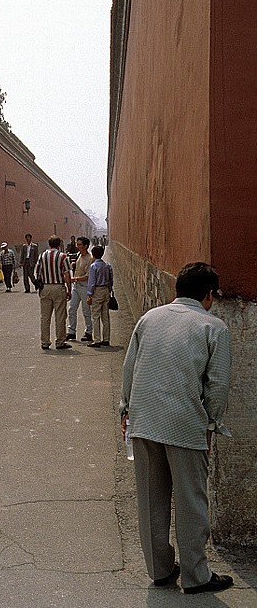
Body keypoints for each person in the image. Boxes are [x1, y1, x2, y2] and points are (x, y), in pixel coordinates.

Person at [120, 262, 233, 594]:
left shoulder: (149, 318)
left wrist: (125, 411)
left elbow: (130, 368)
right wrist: (211, 423)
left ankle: (160, 569)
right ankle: (197, 576)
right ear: (209, 295)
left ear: (177, 289)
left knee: (151, 498)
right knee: (191, 501)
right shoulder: (214, 327)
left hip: (144, 419)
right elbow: (218, 386)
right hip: (184, 423)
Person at [34, 235, 72, 350]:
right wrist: (69, 289)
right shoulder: (63, 256)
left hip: (45, 287)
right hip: (58, 287)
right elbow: (66, 274)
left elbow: (38, 273)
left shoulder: (42, 256)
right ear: (59, 244)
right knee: (60, 316)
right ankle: (60, 341)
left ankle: (45, 341)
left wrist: (40, 287)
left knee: (45, 316)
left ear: (48, 244)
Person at [66, 236, 93, 342]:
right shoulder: (78, 256)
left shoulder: (89, 259)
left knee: (86, 311)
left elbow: (88, 276)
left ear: (85, 246)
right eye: (77, 244)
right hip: (76, 287)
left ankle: (89, 332)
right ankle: (71, 331)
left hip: (84, 287)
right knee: (72, 309)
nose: (78, 246)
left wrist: (75, 279)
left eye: (80, 245)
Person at [86, 245, 113, 347]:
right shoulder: (107, 265)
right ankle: (106, 339)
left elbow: (91, 282)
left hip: (97, 290)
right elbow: (111, 280)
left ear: (93, 255)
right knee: (105, 316)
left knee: (95, 316)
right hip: (106, 289)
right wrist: (109, 290)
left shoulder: (93, 266)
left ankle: (97, 339)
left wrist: (89, 295)